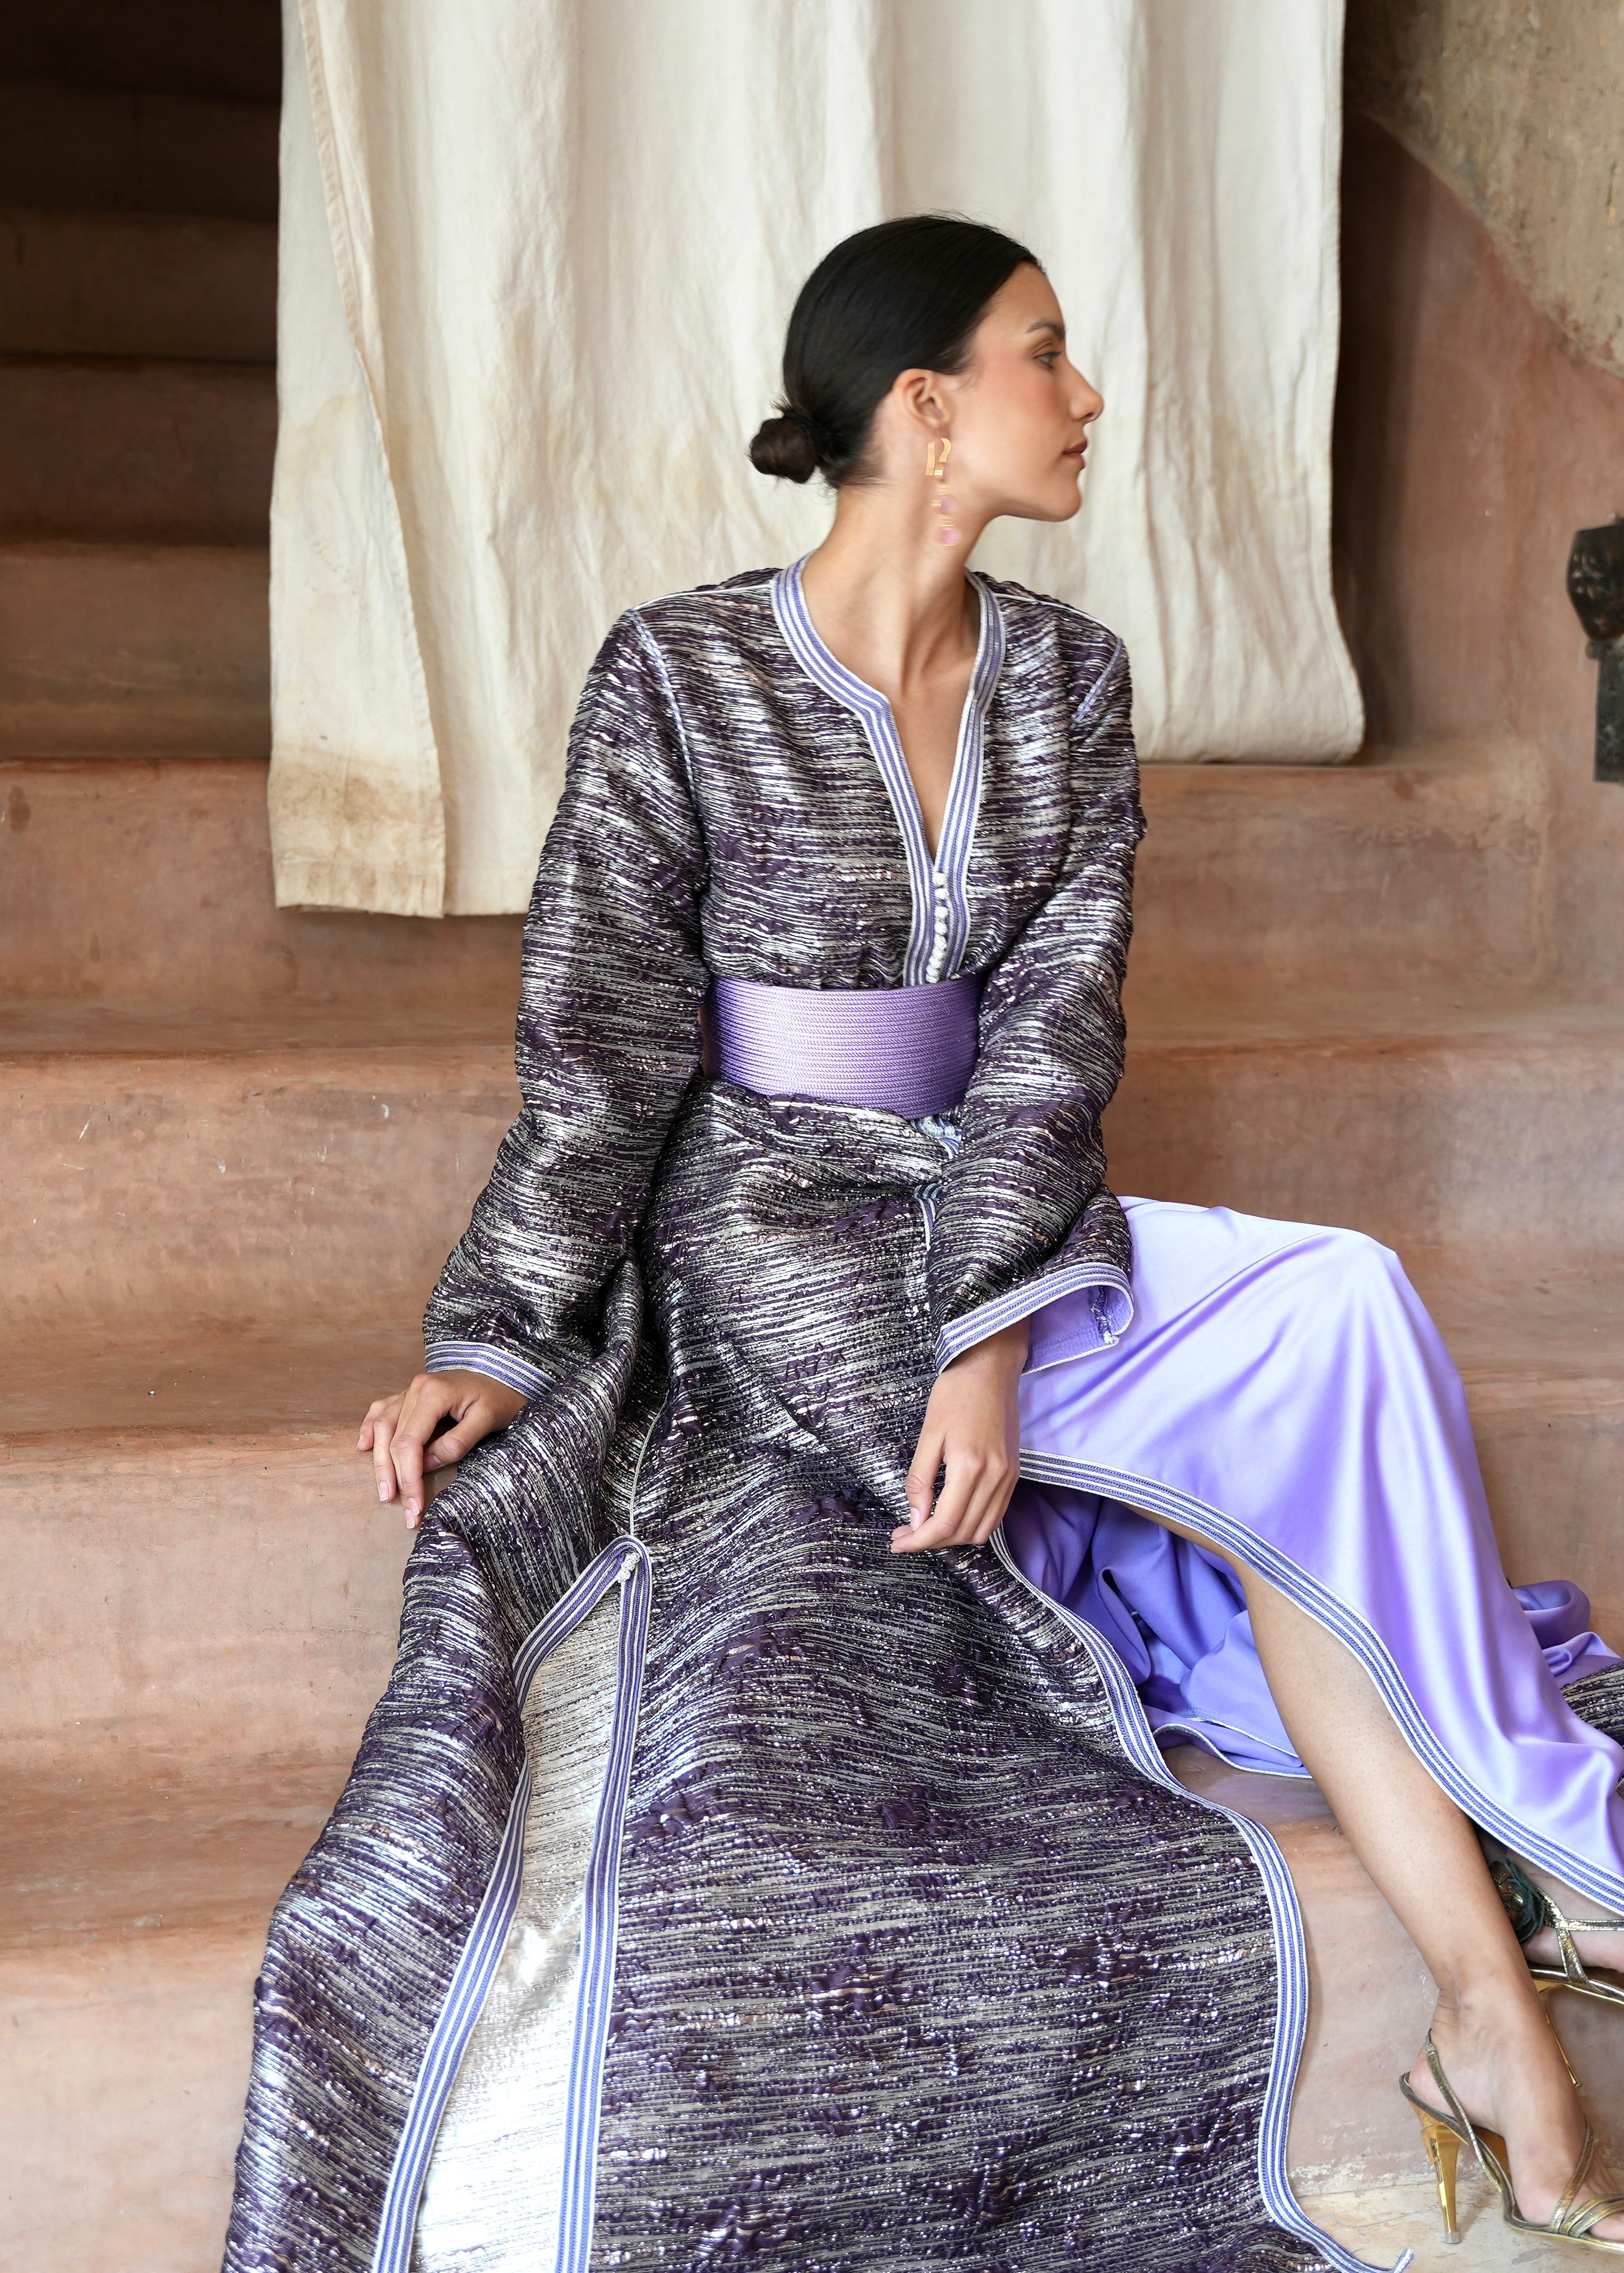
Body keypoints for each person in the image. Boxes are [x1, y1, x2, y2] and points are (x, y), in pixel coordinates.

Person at [223, 216, 1624, 2273]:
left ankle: (1494, 2011)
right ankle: (1501, 1998)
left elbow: (1057, 1029)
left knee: (1335, 1307)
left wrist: (989, 1330)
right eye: (1049, 353)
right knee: (1264, 1442)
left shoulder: (1071, 677)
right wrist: (500, 1336)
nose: (1089, 395)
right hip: (769, 1229)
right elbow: (603, 1047)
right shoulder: (679, 675)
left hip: (1002, 1207)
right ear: (930, 407)